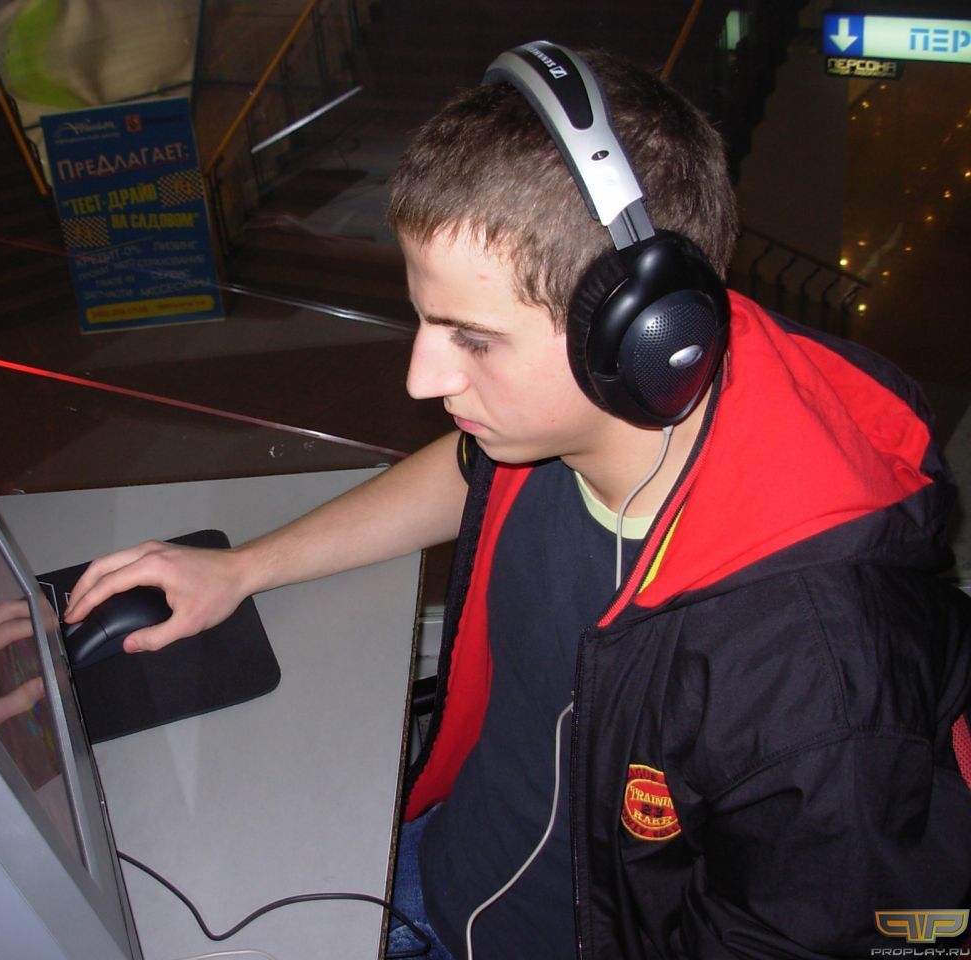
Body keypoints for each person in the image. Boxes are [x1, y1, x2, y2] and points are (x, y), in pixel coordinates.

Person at [63, 42, 971, 960]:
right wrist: (243, 568)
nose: (422, 377)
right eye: (426, 320)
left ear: (646, 340)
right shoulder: (559, 431)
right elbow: (467, 474)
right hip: (443, 865)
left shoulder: (817, 684)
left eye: (474, 339)